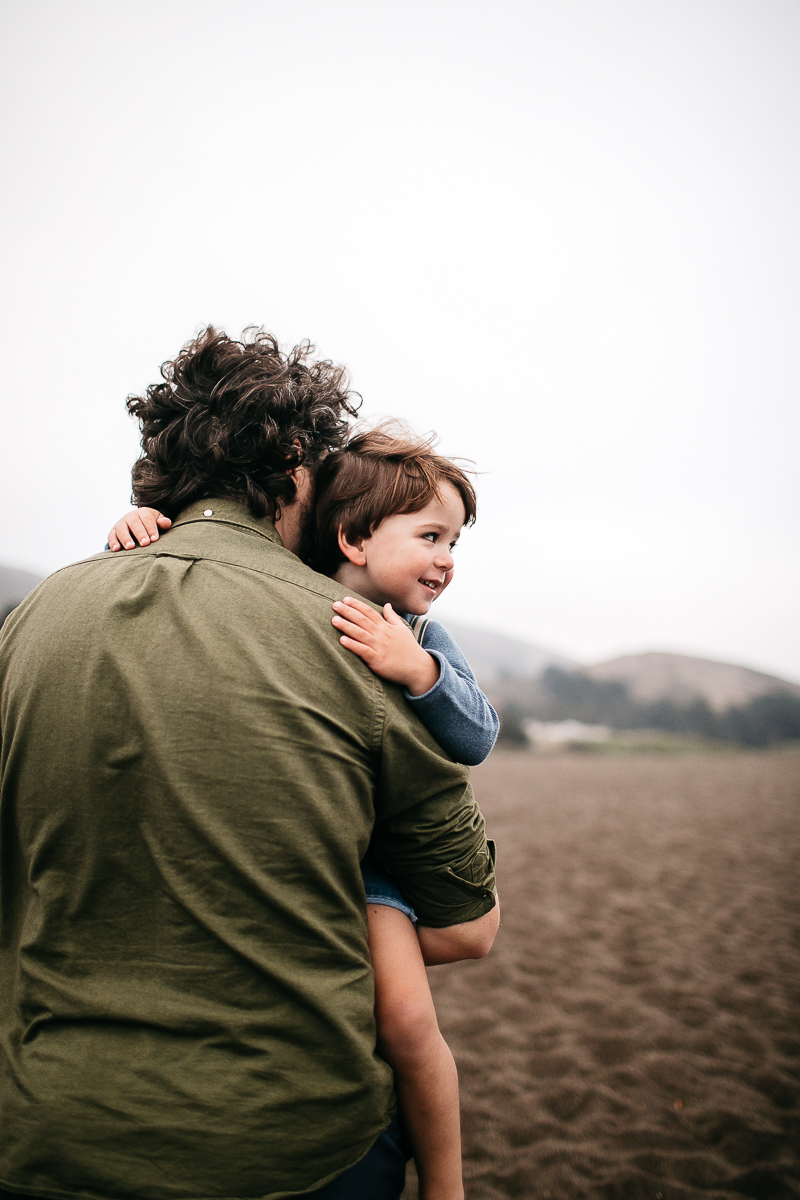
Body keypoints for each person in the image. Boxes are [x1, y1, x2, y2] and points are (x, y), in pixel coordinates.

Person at [0, 328, 498, 1200]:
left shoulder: (34, 614)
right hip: (290, 1140)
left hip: (45, 1127)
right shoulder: (357, 641)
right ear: (298, 462)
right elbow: (470, 923)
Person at [108, 426, 500, 1199]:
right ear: (352, 535)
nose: (449, 558)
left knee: (409, 1023)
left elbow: (476, 735)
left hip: (369, 867)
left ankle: (446, 1184)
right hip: (276, 846)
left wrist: (418, 670)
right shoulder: (283, 586)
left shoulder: (419, 632)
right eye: (431, 536)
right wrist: (139, 526)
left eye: (455, 540)